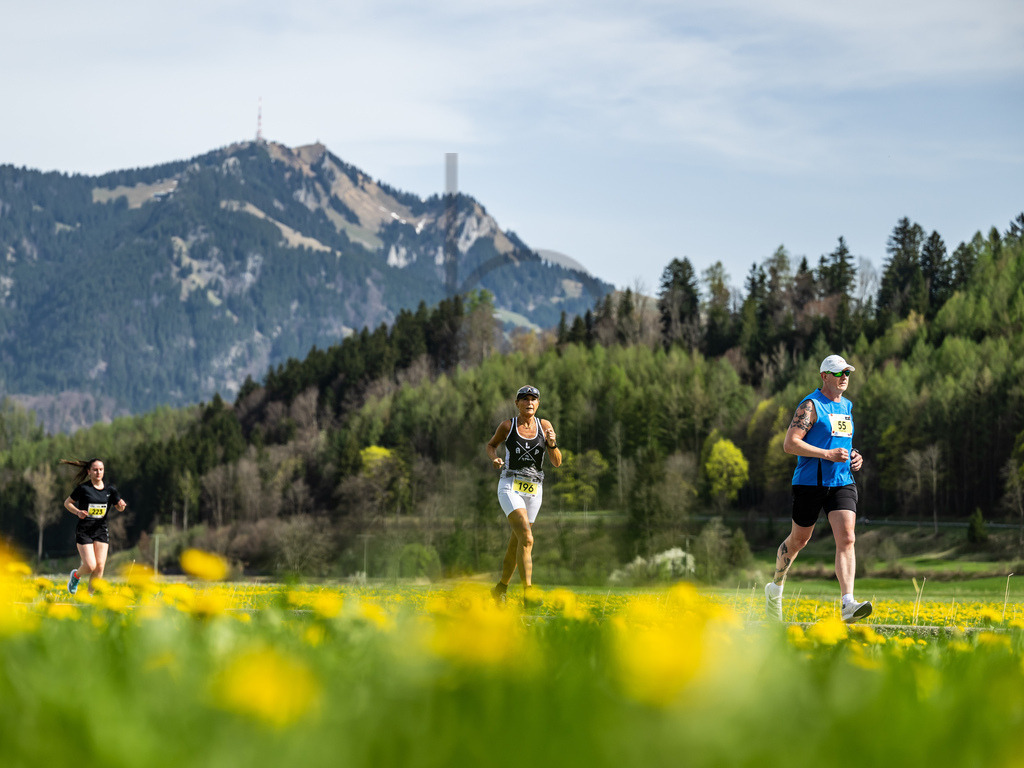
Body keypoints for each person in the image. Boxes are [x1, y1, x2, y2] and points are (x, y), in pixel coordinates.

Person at [765, 355, 872, 624]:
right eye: (838, 373)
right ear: (824, 376)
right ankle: (775, 589)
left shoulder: (847, 406)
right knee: (799, 541)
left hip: (841, 482)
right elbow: (790, 444)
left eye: (847, 372)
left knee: (847, 539)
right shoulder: (810, 406)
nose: (844, 377)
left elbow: (842, 443)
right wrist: (826, 454)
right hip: (809, 483)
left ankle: (848, 604)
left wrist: (855, 455)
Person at [486, 384, 561, 606]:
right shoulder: (508, 425)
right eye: (524, 399)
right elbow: (491, 445)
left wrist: (552, 443)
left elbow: (556, 462)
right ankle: (529, 594)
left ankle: (500, 589)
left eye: (533, 399)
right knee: (527, 538)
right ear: (517, 403)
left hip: (534, 489)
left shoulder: (545, 426)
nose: (529, 402)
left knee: (518, 542)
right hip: (510, 486)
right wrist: (494, 458)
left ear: (538, 404)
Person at [62, 458, 127, 595]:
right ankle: (75, 576)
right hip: (84, 531)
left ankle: (90, 597)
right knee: (90, 566)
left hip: (101, 530)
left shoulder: (110, 490)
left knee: (100, 567)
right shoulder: (83, 488)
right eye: (95, 470)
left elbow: (118, 507)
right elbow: (67, 503)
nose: (98, 472)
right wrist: (78, 512)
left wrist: (121, 506)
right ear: (89, 472)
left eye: (101, 469)